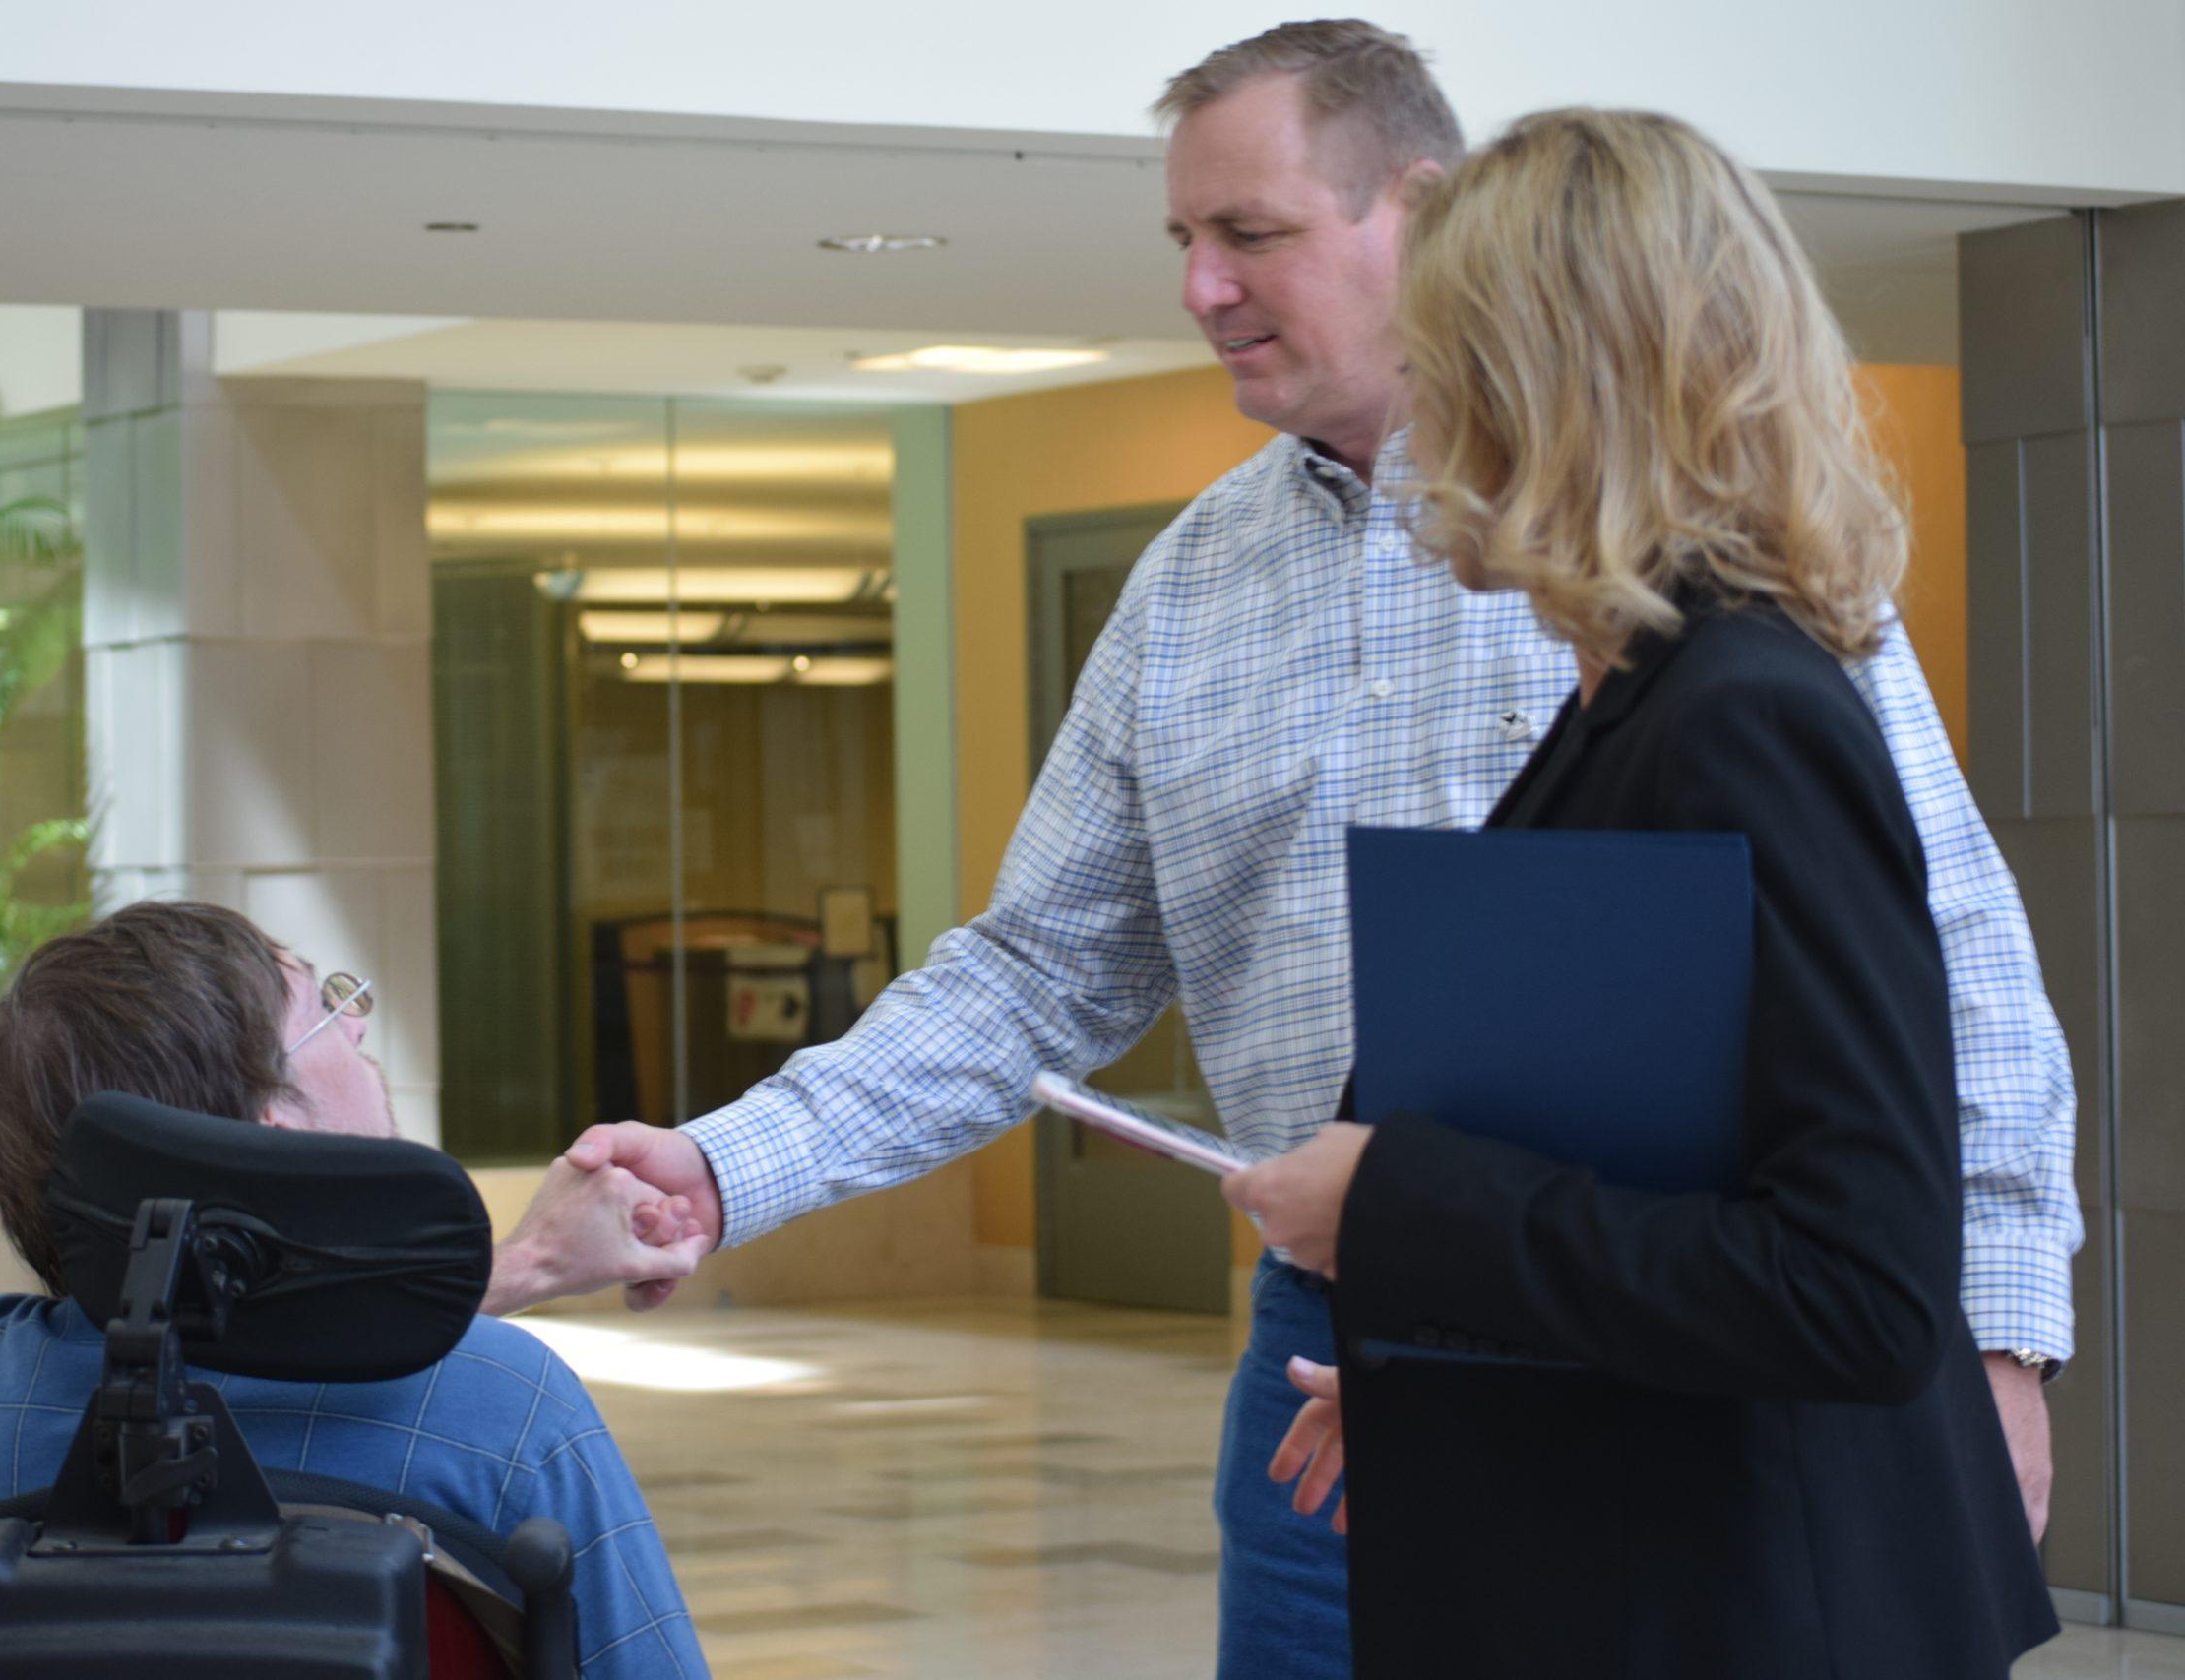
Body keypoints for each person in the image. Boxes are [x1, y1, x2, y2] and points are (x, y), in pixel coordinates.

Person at [565, 21, 2081, 1673]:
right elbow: (1035, 971)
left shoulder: (1727, 661)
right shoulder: (1195, 586)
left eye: (1252, 234)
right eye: (1185, 242)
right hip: (1340, 1343)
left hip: (1662, 1367)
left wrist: (1993, 1342)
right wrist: (725, 1167)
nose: (1203, 288)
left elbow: (1945, 974)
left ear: (1420, 220)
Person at [1221, 107, 2058, 1676]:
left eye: (1442, 361)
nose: (1415, 416)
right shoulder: (1638, 691)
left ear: (1543, 387)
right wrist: (1470, 1354)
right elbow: (1672, 1176)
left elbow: (1853, 1286)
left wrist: (1396, 1203)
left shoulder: (1741, 712)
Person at [0, 900, 714, 1680]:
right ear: (273, 1138)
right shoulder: (510, 1408)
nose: (359, 1027)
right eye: (325, 1011)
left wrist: (525, 1262)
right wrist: (528, 1263)